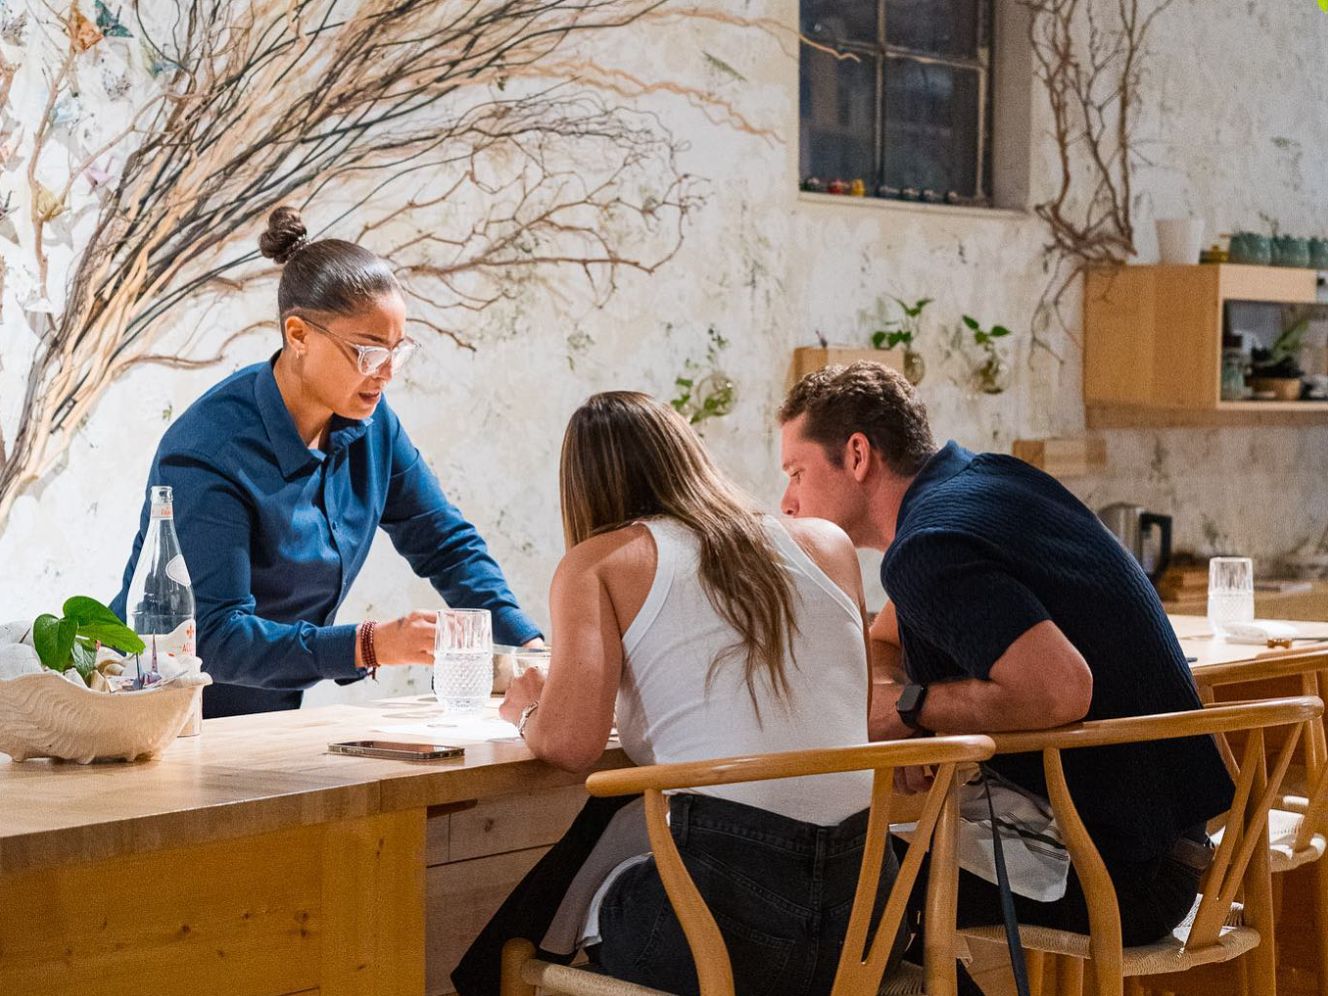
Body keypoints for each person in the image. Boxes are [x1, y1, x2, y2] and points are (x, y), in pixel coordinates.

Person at [777, 361, 1235, 989]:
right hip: (1173, 849)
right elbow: (886, 640)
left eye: (796, 473)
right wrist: (902, 703)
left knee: (828, 890)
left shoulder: (927, 545)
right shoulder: (983, 481)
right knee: (868, 872)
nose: (788, 501)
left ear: (857, 455)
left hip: (1122, 877)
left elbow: (1060, 690)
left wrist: (912, 708)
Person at [490, 390, 902, 995]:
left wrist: (527, 707)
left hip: (722, 936)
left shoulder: (598, 562)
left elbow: (571, 745)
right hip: (868, 926)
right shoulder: (828, 543)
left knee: (555, 913)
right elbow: (854, 707)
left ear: (582, 487)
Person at [111, 207, 542, 717]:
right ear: (298, 335)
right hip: (157, 717)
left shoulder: (372, 425)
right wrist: (368, 645)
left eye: (397, 352)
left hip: (267, 716)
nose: (386, 374)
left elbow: (445, 545)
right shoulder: (208, 450)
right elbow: (214, 637)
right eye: (368, 353)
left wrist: (530, 649)